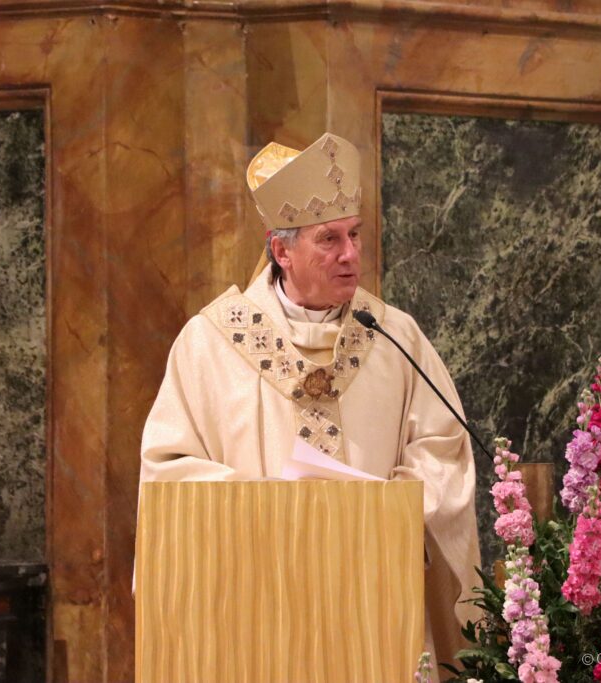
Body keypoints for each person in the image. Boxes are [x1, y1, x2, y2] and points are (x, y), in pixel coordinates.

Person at [139, 132, 481, 672]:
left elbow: (442, 448)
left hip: (374, 597)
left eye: (355, 234)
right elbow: (168, 473)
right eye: (329, 240)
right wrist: (271, 511)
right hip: (257, 604)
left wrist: (392, 510)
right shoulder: (210, 344)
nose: (350, 255)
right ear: (282, 252)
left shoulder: (395, 337)